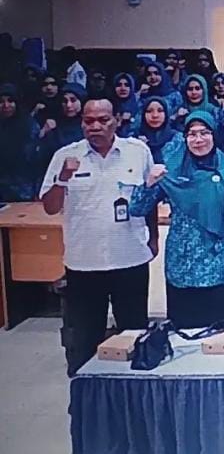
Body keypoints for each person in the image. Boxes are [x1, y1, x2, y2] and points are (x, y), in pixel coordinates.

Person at [40, 97, 157, 376]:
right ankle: (86, 390)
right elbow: (50, 207)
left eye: (103, 120)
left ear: (116, 120)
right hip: (84, 263)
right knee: (84, 338)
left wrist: (153, 238)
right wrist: (63, 178)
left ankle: (133, 390)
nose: (95, 126)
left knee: (133, 335)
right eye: (88, 120)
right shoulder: (65, 155)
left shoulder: (137, 152)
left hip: (130, 258)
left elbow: (149, 197)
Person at [130, 111, 224, 329]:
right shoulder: (170, 171)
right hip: (182, 270)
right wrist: (149, 183)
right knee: (184, 340)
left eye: (204, 133)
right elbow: (137, 208)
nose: (198, 139)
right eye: (192, 134)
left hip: (223, 267)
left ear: (214, 135)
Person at [0, 84, 41, 202]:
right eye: (1, 102)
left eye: (10, 101)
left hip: (23, 189)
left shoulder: (29, 125)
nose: (6, 105)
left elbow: (35, 159)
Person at [134, 97, 181, 164]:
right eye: (149, 111)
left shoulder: (176, 139)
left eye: (160, 110)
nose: (155, 115)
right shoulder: (134, 140)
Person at [111, 72, 139, 137]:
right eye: (119, 85)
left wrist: (130, 119)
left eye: (127, 85)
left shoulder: (140, 107)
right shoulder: (108, 108)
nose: (123, 88)